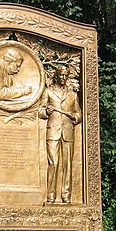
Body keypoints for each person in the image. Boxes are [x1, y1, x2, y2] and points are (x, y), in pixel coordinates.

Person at [40, 66, 82, 203]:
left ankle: (66, 195)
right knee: (53, 163)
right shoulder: (48, 91)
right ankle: (51, 194)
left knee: (67, 164)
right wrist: (47, 111)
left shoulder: (73, 95)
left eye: (66, 76)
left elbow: (78, 114)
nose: (63, 78)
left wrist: (75, 117)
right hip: (53, 131)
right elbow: (40, 111)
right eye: (61, 75)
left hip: (68, 132)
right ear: (56, 76)